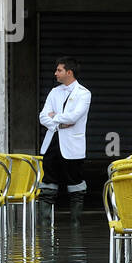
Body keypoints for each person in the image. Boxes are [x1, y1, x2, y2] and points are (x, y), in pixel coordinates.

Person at [37, 56, 92, 222]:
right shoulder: (55, 92)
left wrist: (55, 117)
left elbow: (74, 117)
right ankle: (45, 227)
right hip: (52, 143)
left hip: (72, 146)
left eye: (59, 70)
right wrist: (60, 123)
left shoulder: (84, 93)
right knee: (48, 184)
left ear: (69, 72)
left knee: (75, 185)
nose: (55, 73)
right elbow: (42, 117)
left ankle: (76, 226)